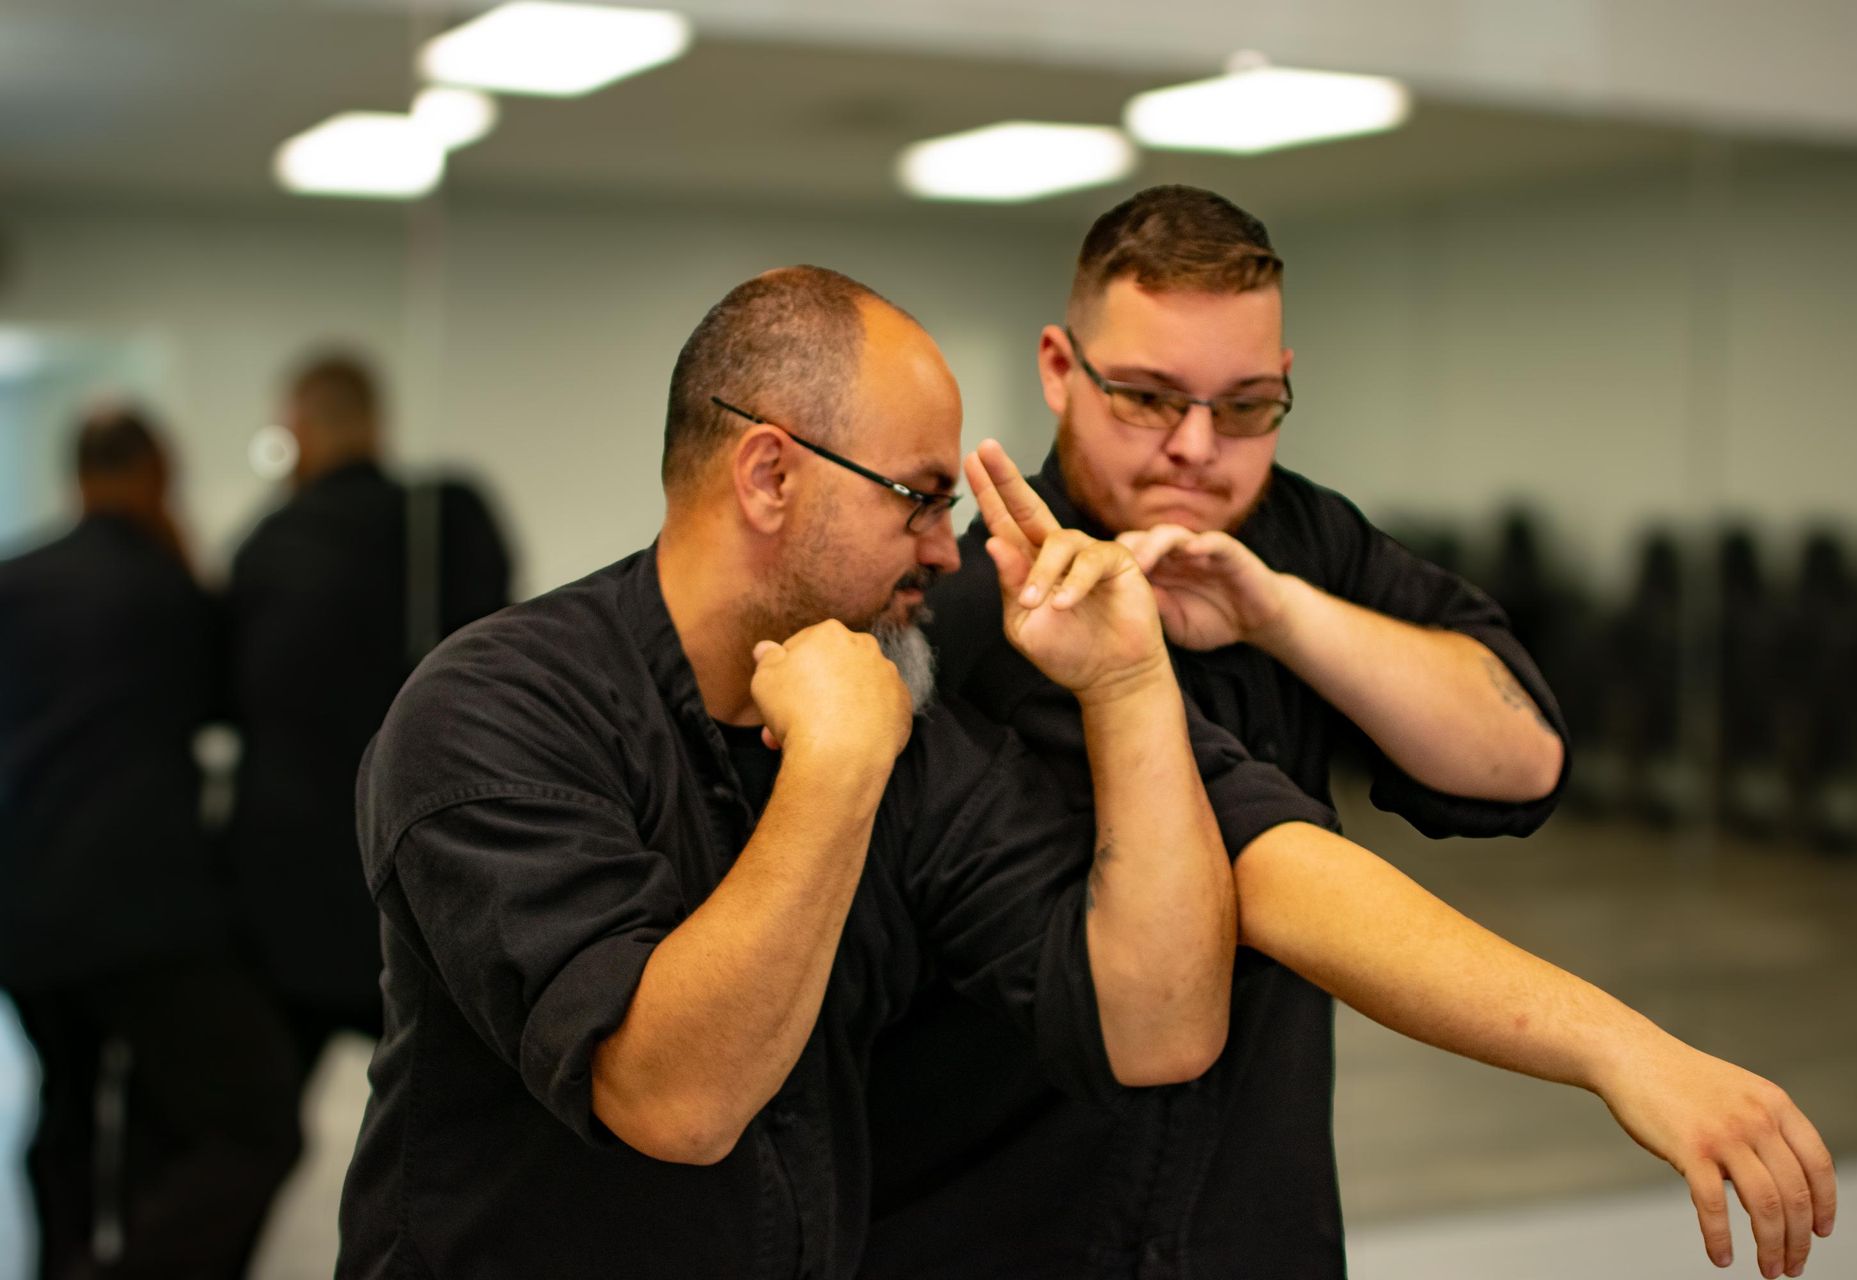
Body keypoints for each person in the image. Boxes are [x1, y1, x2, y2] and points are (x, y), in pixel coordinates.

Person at [865, 186, 1834, 1280]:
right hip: (1012, 1223)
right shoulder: (996, 614)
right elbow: (1272, 874)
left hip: (1252, 1221)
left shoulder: (1295, 533)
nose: (1196, 447)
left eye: (1245, 407)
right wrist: (1617, 1043)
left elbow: (1520, 753)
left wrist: (1281, 613)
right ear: (1058, 368)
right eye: (1146, 397)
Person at [336, 266, 1326, 1278]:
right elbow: (673, 1101)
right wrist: (835, 769)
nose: (950, 553)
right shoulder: (494, 710)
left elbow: (1158, 1026)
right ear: (770, 475)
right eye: (920, 500)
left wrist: (1126, 681)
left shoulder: (903, 716)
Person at [0, 406, 300, 1279]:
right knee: (247, 1118)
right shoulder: (170, 591)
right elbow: (227, 707)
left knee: (65, 1104)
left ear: (76, 474)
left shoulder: (13, 581)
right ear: (156, 474)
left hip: (22, 902)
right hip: (140, 903)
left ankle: (62, 1261)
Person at [225, 352, 511, 1069]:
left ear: (296, 429)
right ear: (376, 423)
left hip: (289, 885)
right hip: (423, 864)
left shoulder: (267, 546)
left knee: (257, 1127)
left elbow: (232, 698)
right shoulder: (441, 520)